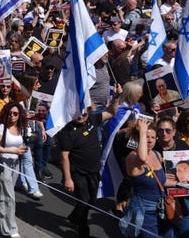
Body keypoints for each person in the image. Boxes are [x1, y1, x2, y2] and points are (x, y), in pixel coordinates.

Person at [56, 97, 119, 238]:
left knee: (91, 200)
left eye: (84, 113)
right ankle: (82, 228)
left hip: (94, 171)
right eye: (77, 114)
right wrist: (68, 179)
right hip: (78, 173)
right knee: (83, 201)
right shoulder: (66, 132)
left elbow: (111, 112)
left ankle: (73, 217)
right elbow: (64, 157)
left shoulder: (92, 119)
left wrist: (116, 97)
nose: (81, 116)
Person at [122, 119, 175, 238]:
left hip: (162, 210)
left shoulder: (157, 154)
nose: (150, 140)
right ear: (138, 138)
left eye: (153, 137)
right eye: (146, 136)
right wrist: (141, 131)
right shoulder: (132, 157)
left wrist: (186, 184)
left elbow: (161, 182)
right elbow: (142, 158)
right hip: (144, 212)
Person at [0, 101, 29, 238]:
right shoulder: (2, 128)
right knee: (9, 197)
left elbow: (20, 145)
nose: (12, 116)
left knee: (5, 193)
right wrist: (12, 152)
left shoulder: (21, 128)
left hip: (15, 164)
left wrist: (23, 150)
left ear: (19, 115)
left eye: (15, 114)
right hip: (3, 163)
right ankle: (10, 230)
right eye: (10, 113)